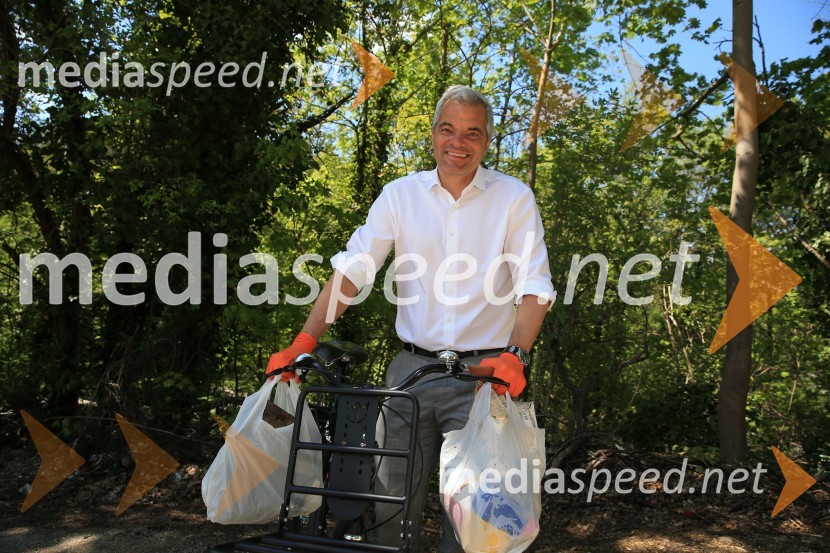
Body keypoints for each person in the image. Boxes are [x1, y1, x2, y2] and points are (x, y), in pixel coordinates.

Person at [266, 85, 554, 552]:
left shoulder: (513, 199)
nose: (457, 142)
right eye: (448, 129)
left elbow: (534, 287)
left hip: (484, 376)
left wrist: (515, 356)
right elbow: (354, 270)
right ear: (433, 134)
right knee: (390, 499)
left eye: (472, 133)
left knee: (476, 513)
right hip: (409, 372)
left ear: (487, 141)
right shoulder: (400, 196)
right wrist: (304, 339)